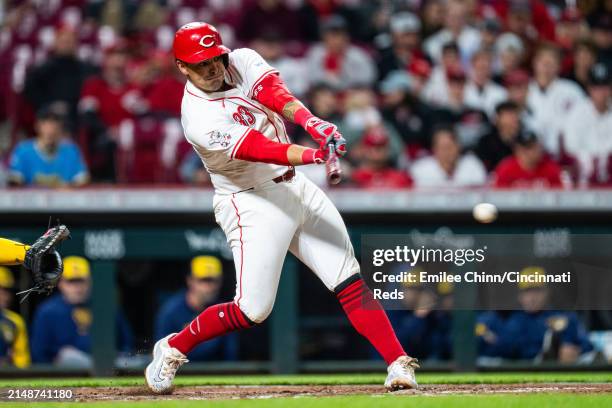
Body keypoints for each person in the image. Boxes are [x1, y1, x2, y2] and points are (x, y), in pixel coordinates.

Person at [145, 22, 419, 394]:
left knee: (348, 277)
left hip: (294, 186)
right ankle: (173, 348)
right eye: (201, 63)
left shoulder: (240, 60)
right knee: (251, 310)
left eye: (215, 58)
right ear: (182, 66)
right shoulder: (198, 118)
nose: (212, 67)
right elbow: (259, 148)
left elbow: (274, 93)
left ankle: (398, 363)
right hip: (250, 199)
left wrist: (312, 122)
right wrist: (313, 153)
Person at [30, 256, 133, 366]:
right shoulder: (48, 311)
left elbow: (126, 343)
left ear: (90, 281)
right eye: (71, 281)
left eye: (81, 281)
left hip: (108, 363)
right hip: (66, 370)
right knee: (68, 356)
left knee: (137, 361)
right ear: (60, 283)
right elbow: (38, 354)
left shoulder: (105, 306)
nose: (77, 287)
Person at [155, 256, 237, 361]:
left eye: (214, 280)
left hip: (215, 373)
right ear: (190, 280)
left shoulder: (224, 312)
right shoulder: (171, 311)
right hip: (180, 372)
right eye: (204, 280)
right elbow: (161, 355)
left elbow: (230, 357)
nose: (210, 286)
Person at [503, 267, 593, 363]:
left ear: (547, 292)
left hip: (563, 372)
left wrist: (576, 351)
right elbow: (505, 351)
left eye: (537, 291)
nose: (532, 297)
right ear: (520, 296)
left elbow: (587, 345)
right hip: (528, 373)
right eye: (528, 291)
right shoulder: (514, 321)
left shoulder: (566, 317)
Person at [8, 107, 89, 187]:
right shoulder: (23, 150)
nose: (50, 129)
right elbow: (15, 181)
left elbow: (82, 180)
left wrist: (68, 187)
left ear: (60, 127)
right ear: (37, 126)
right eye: (46, 124)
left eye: (54, 124)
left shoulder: (71, 150)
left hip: (63, 198)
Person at [527, 44, 585, 156]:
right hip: (532, 153)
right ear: (534, 63)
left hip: (566, 153)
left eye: (551, 63)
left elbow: (583, 120)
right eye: (543, 62)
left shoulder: (572, 90)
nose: (546, 67)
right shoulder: (525, 90)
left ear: (558, 66)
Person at [562, 63, 612, 186]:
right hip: (583, 173)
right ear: (589, 88)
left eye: (604, 86)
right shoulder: (577, 112)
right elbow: (571, 146)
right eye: (596, 87)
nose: (601, 92)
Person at [305, 15, 377, 90]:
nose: (337, 41)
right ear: (324, 37)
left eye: (340, 35)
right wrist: (329, 78)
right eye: (332, 36)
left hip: (353, 92)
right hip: (325, 92)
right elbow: (312, 78)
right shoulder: (316, 53)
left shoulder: (357, 54)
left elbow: (369, 78)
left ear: (347, 37)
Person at [411, 126, 487, 188]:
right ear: (434, 149)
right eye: (442, 148)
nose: (447, 152)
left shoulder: (472, 165)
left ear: (458, 146)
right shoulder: (420, 169)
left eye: (450, 147)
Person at [493, 129, 563, 188]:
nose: (528, 152)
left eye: (532, 147)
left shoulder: (551, 169)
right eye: (524, 148)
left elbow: (562, 195)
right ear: (517, 149)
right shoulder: (506, 169)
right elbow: (496, 195)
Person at [476, 101, 522, 171]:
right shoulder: (486, 142)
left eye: (515, 114)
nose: (514, 119)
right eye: (509, 115)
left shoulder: (525, 140)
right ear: (497, 119)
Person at [0, 267, 30, 368]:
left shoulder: (15, 321)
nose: (4, 295)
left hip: (6, 376)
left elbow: (22, 361)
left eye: (7, 291)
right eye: (0, 290)